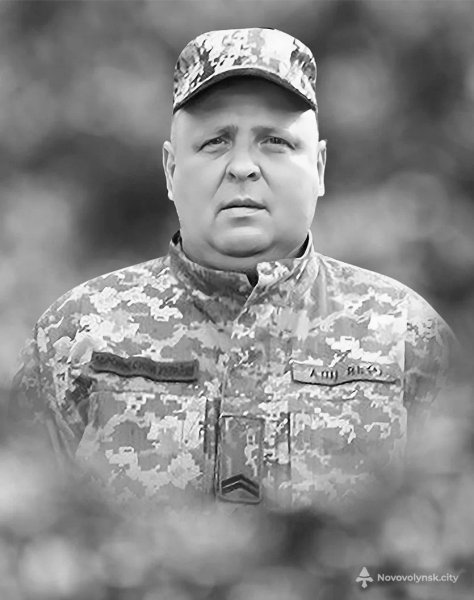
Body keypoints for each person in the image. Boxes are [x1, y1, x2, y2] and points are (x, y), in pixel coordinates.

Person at [12, 28, 455, 508]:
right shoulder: (76, 336)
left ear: (320, 168)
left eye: (275, 141)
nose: (243, 166)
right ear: (170, 170)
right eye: (214, 142)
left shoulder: (407, 336)